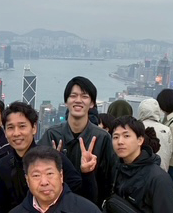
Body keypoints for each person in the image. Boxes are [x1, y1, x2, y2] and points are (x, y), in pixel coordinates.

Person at [0, 101, 97, 213]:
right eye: (10, 128)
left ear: (34, 128)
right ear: (5, 132)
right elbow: (1, 210)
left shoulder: (53, 159)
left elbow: (84, 198)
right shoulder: (3, 165)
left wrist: (87, 173)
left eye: (22, 126)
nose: (16, 133)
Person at [39, 76, 117, 206]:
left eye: (84, 96)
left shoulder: (103, 138)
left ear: (92, 103)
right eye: (73, 96)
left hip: (92, 209)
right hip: (55, 209)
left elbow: (110, 182)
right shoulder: (52, 135)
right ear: (66, 101)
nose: (78, 100)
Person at [137, 98, 173, 172]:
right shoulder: (166, 130)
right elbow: (169, 151)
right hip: (162, 171)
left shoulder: (137, 127)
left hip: (142, 171)